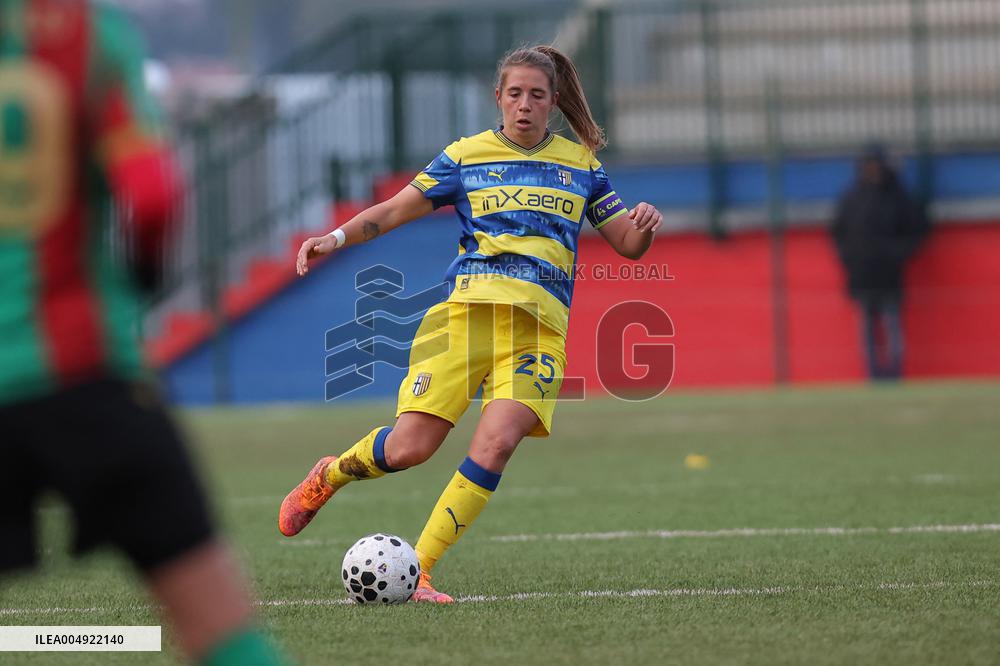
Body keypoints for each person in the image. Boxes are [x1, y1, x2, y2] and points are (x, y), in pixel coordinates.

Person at [281, 45, 663, 602]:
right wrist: (334, 238)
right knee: (410, 449)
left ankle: (420, 571)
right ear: (498, 97)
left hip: (538, 332)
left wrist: (644, 225)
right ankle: (330, 474)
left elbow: (627, 242)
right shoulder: (465, 156)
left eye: (537, 95)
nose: (525, 105)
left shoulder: (580, 164)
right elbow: (393, 210)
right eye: (516, 93)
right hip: (463, 321)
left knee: (497, 444)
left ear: (554, 101)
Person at [0, 2, 290, 663]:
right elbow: (153, 195)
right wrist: (143, 276)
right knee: (223, 634)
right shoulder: (88, 35)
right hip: (82, 372)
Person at [831, 144, 930, 380]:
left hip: (890, 274)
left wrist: (898, 253)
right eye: (869, 166)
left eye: (876, 165)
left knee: (892, 324)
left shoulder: (899, 197)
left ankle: (895, 373)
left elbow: (917, 229)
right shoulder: (852, 197)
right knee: (866, 327)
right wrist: (849, 258)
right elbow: (837, 232)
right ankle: (873, 374)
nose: (873, 170)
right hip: (862, 274)